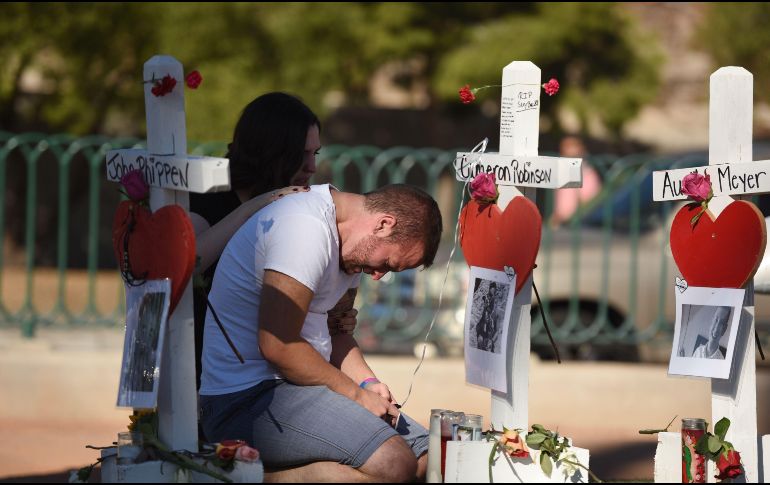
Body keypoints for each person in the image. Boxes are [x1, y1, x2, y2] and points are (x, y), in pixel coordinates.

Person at [199, 183, 443, 482]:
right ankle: (251, 477)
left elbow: (337, 332)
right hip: (246, 397)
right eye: (388, 264)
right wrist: (356, 395)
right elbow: (277, 345)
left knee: (429, 460)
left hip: (302, 388)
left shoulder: (351, 244)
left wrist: (367, 382)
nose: (379, 276)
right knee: (394, 464)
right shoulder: (306, 228)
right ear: (383, 224)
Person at [189, 92, 320, 389]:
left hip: (265, 372)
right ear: (271, 151)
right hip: (203, 368)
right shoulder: (210, 194)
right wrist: (255, 206)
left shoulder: (295, 207)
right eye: (301, 154)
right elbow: (189, 263)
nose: (311, 167)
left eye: (316, 154)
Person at [475, 282, 497, 352]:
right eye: (492, 289)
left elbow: (491, 309)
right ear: (490, 289)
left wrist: (488, 308)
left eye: (494, 289)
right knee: (481, 332)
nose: (493, 290)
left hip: (488, 319)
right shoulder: (486, 296)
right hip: (483, 318)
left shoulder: (493, 298)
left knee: (487, 332)